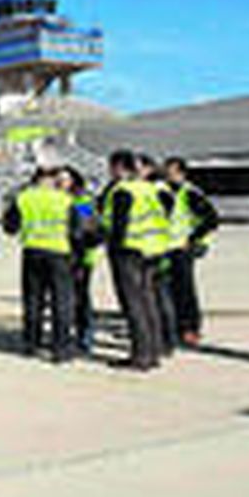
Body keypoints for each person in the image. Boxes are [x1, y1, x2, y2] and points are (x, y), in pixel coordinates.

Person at [101, 150, 168, 371]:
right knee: (148, 301)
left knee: (133, 304)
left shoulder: (123, 191)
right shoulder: (150, 189)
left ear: (119, 167)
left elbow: (120, 224)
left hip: (129, 252)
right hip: (153, 250)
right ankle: (155, 350)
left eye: (111, 167)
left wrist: (112, 245)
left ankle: (140, 355)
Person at [2, 166, 76, 362]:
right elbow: (77, 229)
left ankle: (31, 343)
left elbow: (10, 227)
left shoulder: (24, 198)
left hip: (32, 251)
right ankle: (60, 348)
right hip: (60, 252)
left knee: (33, 300)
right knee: (61, 302)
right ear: (52, 180)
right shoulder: (65, 199)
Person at [162, 157, 219, 346]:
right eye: (166, 170)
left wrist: (193, 239)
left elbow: (211, 219)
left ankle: (190, 328)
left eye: (171, 171)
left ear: (181, 173)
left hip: (181, 248)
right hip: (166, 247)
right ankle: (173, 327)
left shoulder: (189, 193)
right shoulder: (163, 190)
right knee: (169, 291)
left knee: (185, 291)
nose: (167, 174)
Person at [137, 153, 179, 355]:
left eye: (139, 166)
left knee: (159, 296)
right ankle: (163, 338)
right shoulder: (156, 189)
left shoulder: (158, 190)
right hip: (155, 245)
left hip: (158, 248)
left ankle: (166, 339)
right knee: (157, 294)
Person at [65, 167, 102, 353]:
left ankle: (85, 334)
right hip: (62, 254)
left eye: (65, 179)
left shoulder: (82, 201)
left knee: (81, 297)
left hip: (81, 256)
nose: (60, 182)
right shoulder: (60, 199)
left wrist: (82, 249)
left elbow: (90, 228)